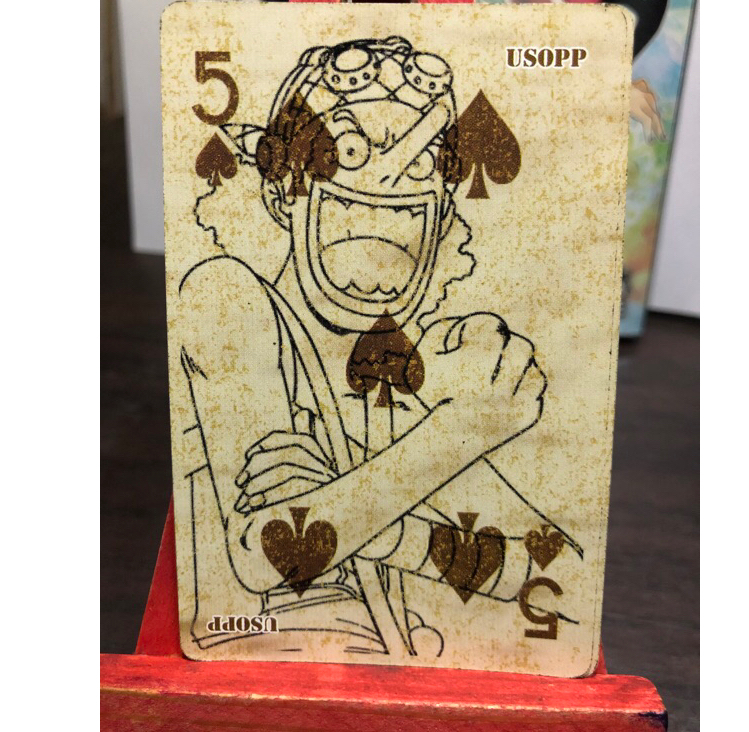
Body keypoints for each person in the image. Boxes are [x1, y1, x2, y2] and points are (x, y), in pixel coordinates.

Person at [178, 36, 579, 657]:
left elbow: (557, 573)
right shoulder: (226, 296)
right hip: (263, 677)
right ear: (282, 194)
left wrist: (366, 514)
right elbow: (272, 553)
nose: (379, 229)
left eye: (407, 208)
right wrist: (463, 432)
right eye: (349, 203)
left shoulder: (403, 380)